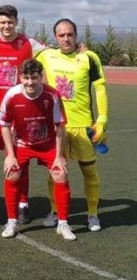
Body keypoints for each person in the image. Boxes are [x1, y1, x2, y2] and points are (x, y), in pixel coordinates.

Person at [37, 18, 108, 232]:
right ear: (55, 37)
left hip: (83, 126)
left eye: (69, 34)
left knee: (89, 171)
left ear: (76, 36)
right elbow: (19, 53)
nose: (66, 38)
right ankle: (55, 210)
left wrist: (102, 119)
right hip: (57, 126)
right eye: (61, 35)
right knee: (56, 172)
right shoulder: (45, 55)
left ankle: (93, 214)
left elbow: (100, 89)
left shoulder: (89, 57)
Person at [0, 5, 46, 223]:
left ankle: (23, 203)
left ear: (17, 22)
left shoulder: (29, 43)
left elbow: (53, 53)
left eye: (10, 22)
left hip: (20, 111)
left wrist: (79, 48)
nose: (6, 26)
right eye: (2, 22)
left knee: (20, 158)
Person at [0, 59, 75, 240]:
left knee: (60, 174)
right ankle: (12, 222)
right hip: (22, 144)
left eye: (34, 77)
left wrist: (59, 156)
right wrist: (10, 155)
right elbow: (5, 125)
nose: (30, 82)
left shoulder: (52, 95)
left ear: (41, 77)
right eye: (26, 77)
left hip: (47, 144)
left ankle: (63, 223)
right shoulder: (12, 94)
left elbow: (60, 126)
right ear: (21, 78)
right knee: (12, 173)